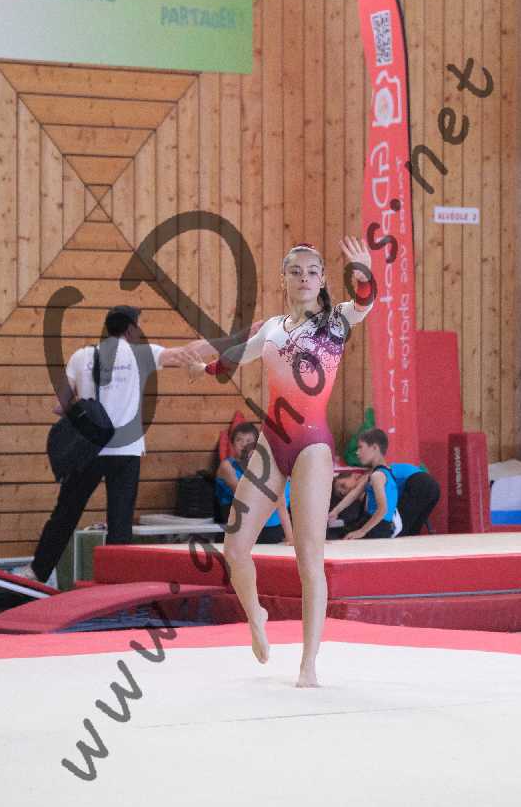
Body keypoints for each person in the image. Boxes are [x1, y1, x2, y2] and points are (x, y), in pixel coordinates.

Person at [187, 237, 374, 687]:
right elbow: (234, 358)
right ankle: (256, 614)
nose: (304, 278)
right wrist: (204, 369)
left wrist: (363, 271)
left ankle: (309, 663)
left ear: (323, 280)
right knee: (234, 548)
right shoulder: (272, 327)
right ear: (283, 279)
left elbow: (366, 301)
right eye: (296, 271)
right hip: (271, 444)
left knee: (309, 558)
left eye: (312, 272)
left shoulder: (335, 321)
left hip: (312, 446)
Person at [22, 306, 194, 583]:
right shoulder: (141, 354)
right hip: (125, 451)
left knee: (66, 513)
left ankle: (37, 572)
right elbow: (184, 353)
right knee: (120, 520)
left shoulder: (82, 356)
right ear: (131, 329)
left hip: (88, 448)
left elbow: (60, 406)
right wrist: (239, 339)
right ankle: (116, 582)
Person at [329, 428, 440, 540]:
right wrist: (335, 511)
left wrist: (361, 531)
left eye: (360, 447)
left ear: (374, 448)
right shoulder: (376, 474)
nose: (357, 452)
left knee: (400, 531)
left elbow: (357, 494)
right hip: (432, 487)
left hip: (419, 482)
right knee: (410, 532)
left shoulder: (375, 474)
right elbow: (355, 494)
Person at [215, 422, 294, 545]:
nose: (243, 444)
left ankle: (291, 538)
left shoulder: (263, 465)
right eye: (239, 440)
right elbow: (243, 496)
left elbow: (281, 502)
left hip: (268, 523)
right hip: (240, 519)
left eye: (248, 441)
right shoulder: (227, 466)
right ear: (232, 444)